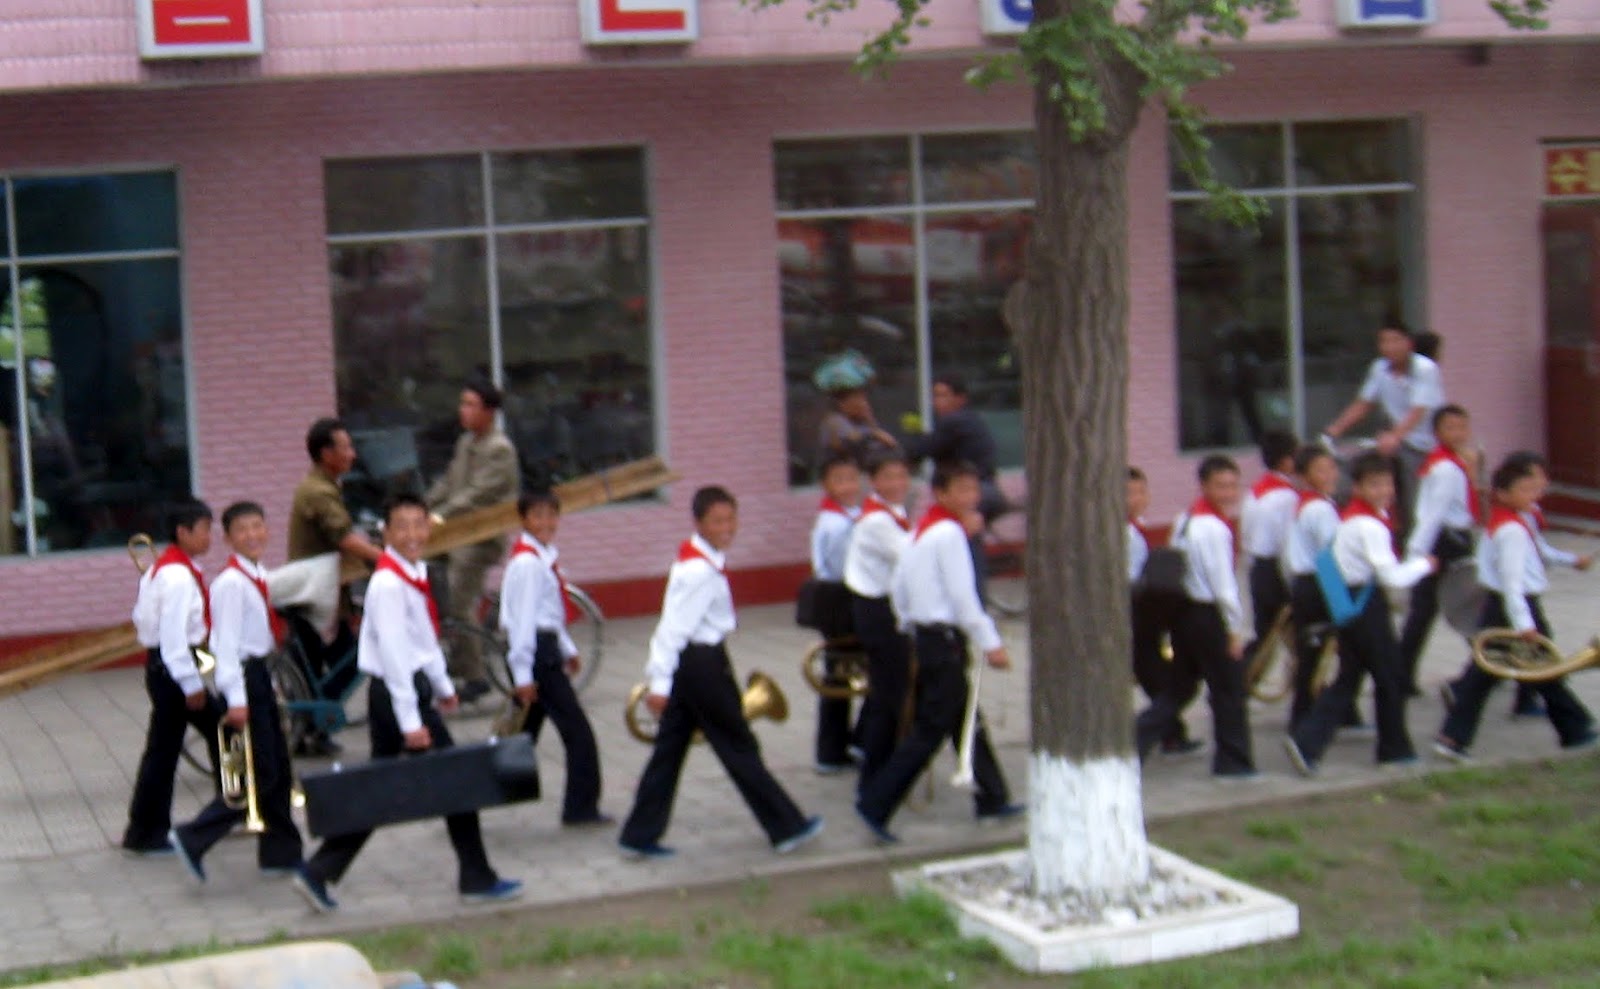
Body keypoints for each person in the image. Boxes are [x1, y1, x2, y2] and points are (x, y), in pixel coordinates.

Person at [294, 494, 523, 913]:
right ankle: (476, 876)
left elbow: (423, 638)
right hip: (397, 695)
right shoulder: (387, 584)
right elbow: (396, 655)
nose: (413, 534)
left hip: (406, 692)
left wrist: (443, 685)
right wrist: (410, 719)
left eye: (420, 524)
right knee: (456, 781)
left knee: (385, 788)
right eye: (402, 526)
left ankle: (320, 870)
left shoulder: (412, 574)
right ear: (385, 533)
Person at [618, 486, 824, 860]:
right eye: (717, 521)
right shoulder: (699, 571)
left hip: (695, 664)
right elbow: (672, 630)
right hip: (703, 666)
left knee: (669, 750)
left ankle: (638, 834)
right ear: (699, 523)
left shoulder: (702, 561)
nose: (726, 527)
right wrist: (659, 682)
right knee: (738, 744)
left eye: (731, 519)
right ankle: (786, 827)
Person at [855, 462, 1021, 844]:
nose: (970, 497)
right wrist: (990, 643)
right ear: (941, 493)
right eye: (961, 489)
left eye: (973, 489)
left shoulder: (921, 530)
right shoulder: (948, 534)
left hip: (928, 637)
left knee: (967, 722)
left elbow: (898, 586)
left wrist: (907, 624)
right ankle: (876, 802)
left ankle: (992, 797)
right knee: (931, 729)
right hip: (943, 639)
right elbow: (963, 596)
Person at [170, 502, 306, 885]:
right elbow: (224, 647)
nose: (252, 535)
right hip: (244, 679)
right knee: (261, 771)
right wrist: (237, 699)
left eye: (257, 526)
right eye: (242, 530)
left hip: (259, 674)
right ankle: (194, 836)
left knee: (278, 768)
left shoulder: (257, 576)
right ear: (228, 539)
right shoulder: (230, 584)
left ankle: (281, 854)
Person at [1433, 454, 1597, 761]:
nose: (1534, 494)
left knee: (1504, 673)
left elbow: (1540, 551)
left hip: (1509, 606)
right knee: (1538, 668)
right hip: (1514, 607)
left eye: (1534, 488)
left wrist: (1572, 561)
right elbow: (1512, 582)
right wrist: (1524, 624)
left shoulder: (1521, 519)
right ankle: (1575, 728)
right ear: (1504, 494)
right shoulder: (1511, 530)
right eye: (1525, 489)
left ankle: (1574, 728)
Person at [1284, 453, 1435, 776]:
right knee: (1389, 676)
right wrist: (1424, 565)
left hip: (1348, 604)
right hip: (1366, 605)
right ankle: (1393, 749)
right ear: (1359, 487)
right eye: (1375, 485)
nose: (1384, 491)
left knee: (1349, 678)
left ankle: (1307, 742)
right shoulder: (1369, 526)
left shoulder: (1351, 520)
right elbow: (1391, 577)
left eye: (1388, 484)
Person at [1134, 456, 1256, 780]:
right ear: (1204, 486)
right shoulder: (1214, 528)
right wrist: (1234, 629)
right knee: (1228, 689)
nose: (1228, 493)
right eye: (1220, 486)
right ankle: (1233, 761)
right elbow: (1224, 585)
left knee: (1180, 687)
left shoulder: (1185, 519)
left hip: (1182, 613)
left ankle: (1135, 740)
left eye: (1232, 486)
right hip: (1207, 614)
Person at [499, 490, 610, 827]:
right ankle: (580, 808)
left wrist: (567, 648)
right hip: (537, 656)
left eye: (551, 515)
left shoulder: (540, 558)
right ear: (524, 520)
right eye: (537, 515)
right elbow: (523, 622)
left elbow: (548, 614)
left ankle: (476, 793)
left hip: (544, 649)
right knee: (578, 734)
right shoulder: (529, 564)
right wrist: (523, 675)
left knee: (520, 737)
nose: (546, 522)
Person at [122, 500, 224, 856]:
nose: (209, 537)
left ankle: (142, 831)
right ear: (183, 532)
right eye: (205, 530)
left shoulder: (164, 569)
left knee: (164, 751)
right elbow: (173, 638)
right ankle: (226, 811)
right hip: (175, 670)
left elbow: (142, 618)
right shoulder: (178, 577)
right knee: (208, 736)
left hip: (164, 668)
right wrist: (191, 683)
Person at [287, 417, 382, 755]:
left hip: (323, 594)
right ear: (326, 454)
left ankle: (311, 728)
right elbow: (343, 536)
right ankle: (310, 725)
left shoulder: (326, 486)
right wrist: (385, 559)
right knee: (344, 660)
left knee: (330, 662)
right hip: (313, 598)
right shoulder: (318, 492)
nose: (352, 454)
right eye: (346, 447)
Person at [426, 381, 521, 703]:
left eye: (470, 404)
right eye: (462, 403)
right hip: (457, 533)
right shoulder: (466, 442)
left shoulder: (499, 449)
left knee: (457, 601)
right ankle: (458, 651)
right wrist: (420, 507)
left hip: (481, 539)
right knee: (425, 576)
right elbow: (449, 483)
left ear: (489, 412)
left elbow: (476, 494)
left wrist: (440, 515)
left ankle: (476, 676)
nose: (463, 410)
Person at [1323, 323, 1445, 533]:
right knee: (1351, 473)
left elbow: (1418, 410)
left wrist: (1395, 436)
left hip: (1421, 444)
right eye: (1384, 341)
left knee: (1414, 502)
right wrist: (1333, 430)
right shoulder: (1379, 368)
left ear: (1408, 343)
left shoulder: (1425, 368)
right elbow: (1364, 403)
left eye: (1395, 340)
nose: (1389, 346)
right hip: (1392, 442)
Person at [1397, 405, 1481, 695]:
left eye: (1462, 427)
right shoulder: (1446, 468)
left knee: (1434, 608)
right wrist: (1417, 551)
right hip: (1447, 542)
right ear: (1436, 433)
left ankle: (1402, 673)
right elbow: (1433, 514)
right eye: (1450, 428)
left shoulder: (1450, 462)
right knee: (1465, 603)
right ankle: (1486, 667)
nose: (1458, 433)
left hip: (1448, 538)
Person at [1279, 445, 1363, 732]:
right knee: (1333, 653)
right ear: (1304, 476)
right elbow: (1334, 553)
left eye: (1331, 468)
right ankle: (1309, 718)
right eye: (1320, 470)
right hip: (1318, 584)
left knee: (1319, 654)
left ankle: (1333, 713)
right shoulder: (1320, 509)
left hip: (1306, 583)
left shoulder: (1307, 504)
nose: (1330, 475)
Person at [844, 453, 915, 789]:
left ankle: (870, 756)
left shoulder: (892, 513)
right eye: (888, 477)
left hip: (889, 608)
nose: (897, 483)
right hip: (878, 611)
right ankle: (874, 774)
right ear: (873, 482)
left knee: (887, 692)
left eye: (902, 476)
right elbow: (910, 556)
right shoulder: (876, 521)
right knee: (889, 695)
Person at [1128, 467, 1199, 755]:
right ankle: (1158, 732)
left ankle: (1172, 733)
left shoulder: (1137, 527)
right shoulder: (1126, 533)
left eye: (1141, 491)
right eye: (1129, 493)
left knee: (1154, 675)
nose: (1137, 499)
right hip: (1136, 610)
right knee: (1158, 675)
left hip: (1146, 609)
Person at [808, 456, 863, 774]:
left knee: (842, 674)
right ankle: (835, 749)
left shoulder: (849, 515)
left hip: (841, 601)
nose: (848, 486)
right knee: (840, 676)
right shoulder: (836, 523)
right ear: (826, 485)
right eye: (839, 480)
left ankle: (838, 747)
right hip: (841, 602)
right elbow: (848, 567)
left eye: (852, 478)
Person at [1240, 429, 1300, 668]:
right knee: (1287, 635)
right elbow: (1286, 544)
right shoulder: (1286, 497)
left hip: (1257, 567)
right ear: (1286, 461)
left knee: (1264, 633)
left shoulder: (1254, 491)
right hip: (1275, 570)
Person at [816, 387, 899, 473]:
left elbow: (890, 442)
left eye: (863, 400)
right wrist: (873, 434)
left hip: (865, 470)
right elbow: (852, 440)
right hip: (839, 471)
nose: (863, 404)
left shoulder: (863, 422)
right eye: (857, 400)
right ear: (842, 404)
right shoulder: (834, 421)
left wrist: (870, 421)